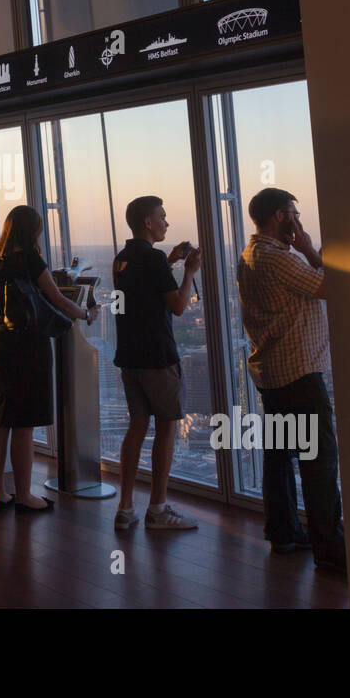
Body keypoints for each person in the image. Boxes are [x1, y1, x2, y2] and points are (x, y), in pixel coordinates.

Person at [236, 188, 347, 572]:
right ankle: (330, 549)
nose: (298, 220)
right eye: (294, 214)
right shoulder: (276, 258)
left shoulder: (249, 254)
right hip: (299, 373)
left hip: (272, 373)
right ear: (281, 215)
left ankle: (283, 533)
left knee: (281, 457)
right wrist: (311, 250)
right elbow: (332, 287)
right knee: (319, 462)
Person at [0, 205, 95, 514]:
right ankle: (25, 496)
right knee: (24, 424)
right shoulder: (29, 258)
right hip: (28, 346)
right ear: (34, 232)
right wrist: (87, 314)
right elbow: (57, 299)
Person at [112, 196, 203, 531]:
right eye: (162, 217)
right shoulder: (152, 259)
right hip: (158, 357)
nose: (167, 222)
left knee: (136, 427)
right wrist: (190, 270)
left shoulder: (121, 258)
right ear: (148, 222)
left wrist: (170, 260)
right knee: (166, 429)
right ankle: (158, 510)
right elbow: (179, 306)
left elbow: (144, 286)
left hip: (130, 357)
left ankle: (125, 508)